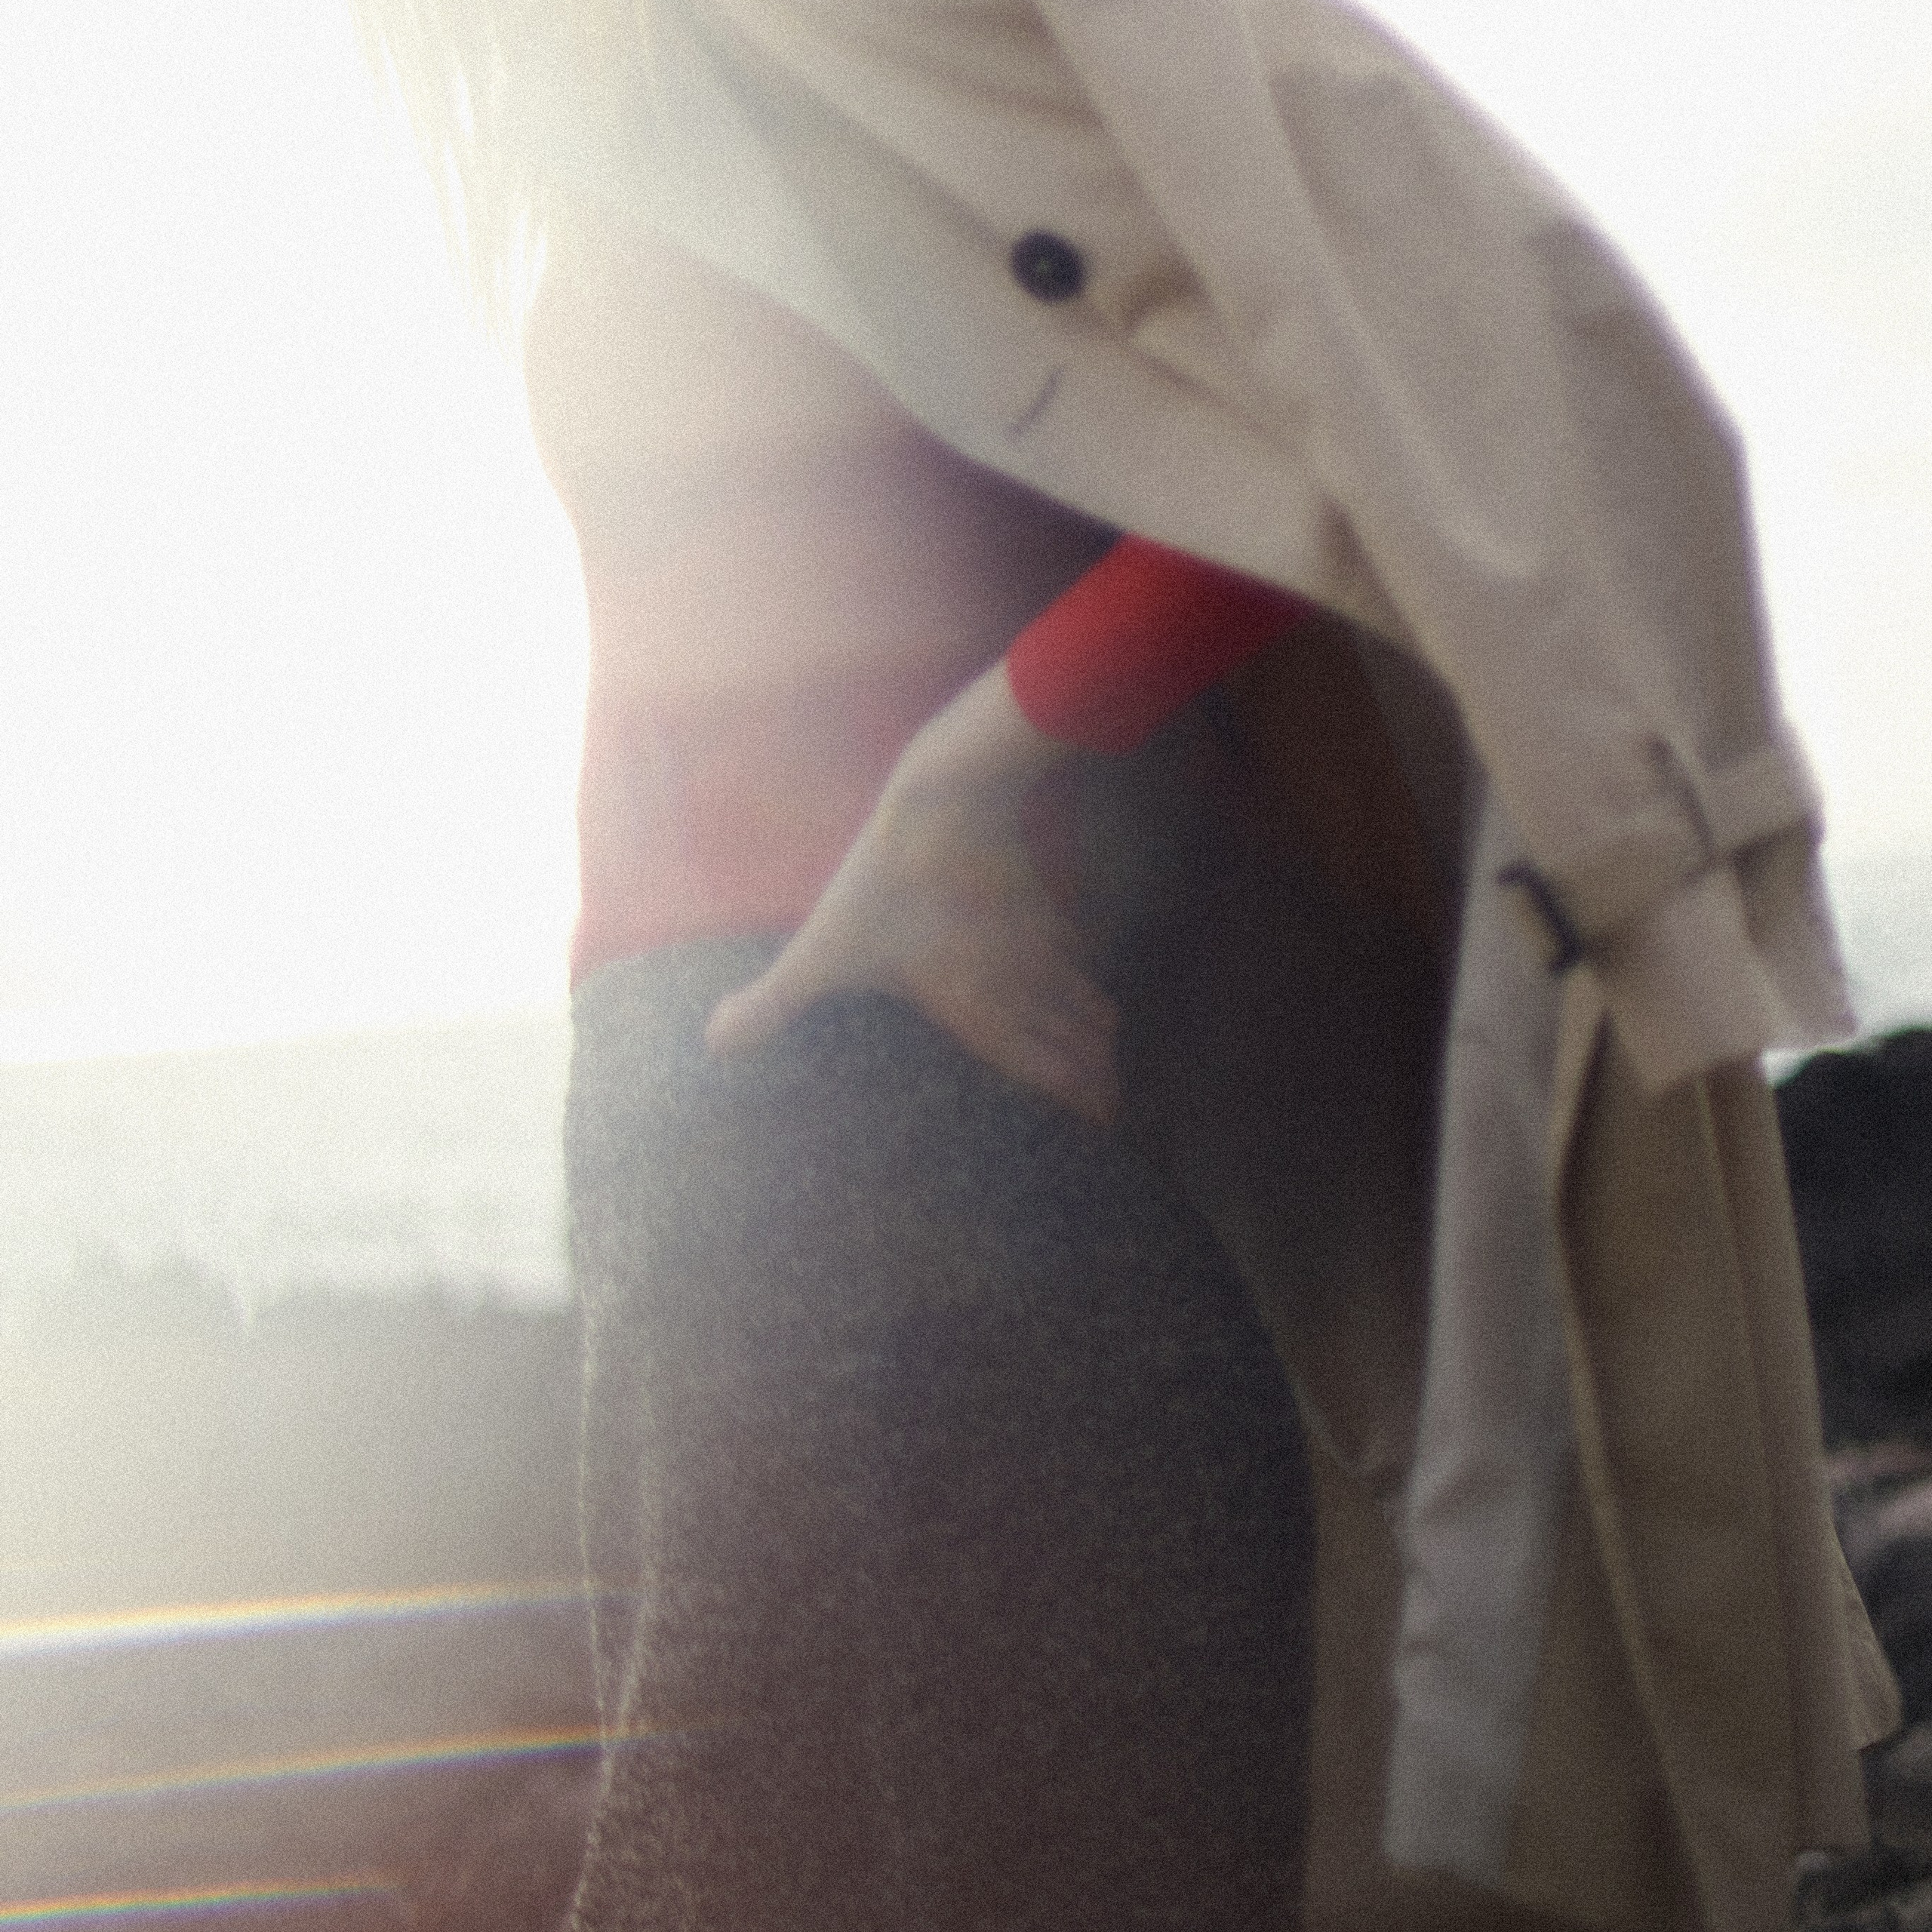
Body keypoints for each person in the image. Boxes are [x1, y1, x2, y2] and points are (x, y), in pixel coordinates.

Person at [354, 2, 1898, 1927]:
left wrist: (982, 753)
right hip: (707, 1139)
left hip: (915, 1136)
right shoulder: (615, 74)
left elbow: (1423, 378)